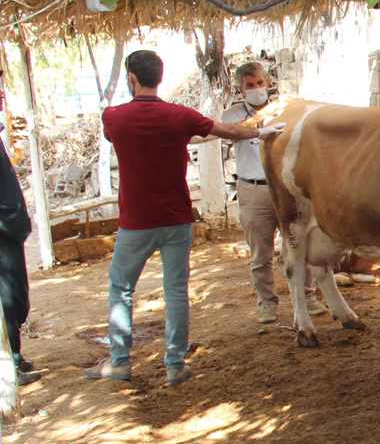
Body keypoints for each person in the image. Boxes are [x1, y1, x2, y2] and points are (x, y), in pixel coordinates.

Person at [84, 50, 284, 386]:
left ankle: (119, 362)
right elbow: (229, 131)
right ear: (160, 78)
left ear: (131, 78)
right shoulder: (180, 116)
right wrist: (263, 133)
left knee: (121, 289)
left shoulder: (114, 117)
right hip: (177, 219)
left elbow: (113, 136)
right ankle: (175, 364)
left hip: (135, 223)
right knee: (176, 291)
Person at [223, 61, 324, 324]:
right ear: (240, 88)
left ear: (268, 83)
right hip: (255, 189)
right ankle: (267, 302)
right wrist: (259, 129)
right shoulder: (232, 115)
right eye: (249, 85)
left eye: (260, 83)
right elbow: (235, 132)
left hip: (288, 189)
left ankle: (308, 296)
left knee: (299, 244)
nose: (256, 89)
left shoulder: (285, 110)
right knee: (260, 253)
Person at [0, 67, 38, 387]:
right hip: (3, 231)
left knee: (16, 298)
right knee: (9, 298)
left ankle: (14, 354)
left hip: (9, 231)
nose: (2, 93)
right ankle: (9, 364)